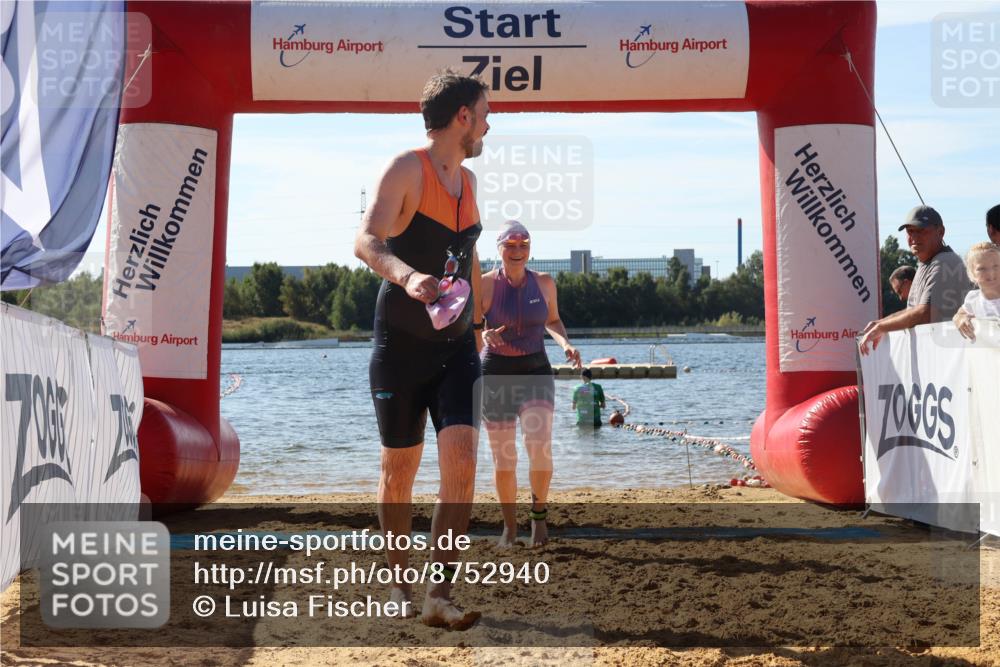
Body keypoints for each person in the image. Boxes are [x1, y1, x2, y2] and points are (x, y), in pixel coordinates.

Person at [353, 69, 489, 630]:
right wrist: (408, 277)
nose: (488, 123)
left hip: (456, 348)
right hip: (401, 347)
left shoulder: (470, 182)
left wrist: (479, 327)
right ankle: (397, 580)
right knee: (398, 473)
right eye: (483, 113)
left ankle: (439, 592)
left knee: (460, 464)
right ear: (462, 117)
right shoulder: (406, 168)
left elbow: (471, 259)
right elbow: (366, 240)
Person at [479, 220, 581, 548]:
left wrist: (565, 344)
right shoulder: (484, 286)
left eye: (524, 245)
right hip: (495, 374)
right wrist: (483, 334)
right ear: (499, 249)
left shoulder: (545, 283)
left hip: (536, 370)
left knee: (539, 450)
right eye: (510, 245)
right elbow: (470, 327)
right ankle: (509, 528)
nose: (517, 251)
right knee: (504, 459)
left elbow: (552, 320)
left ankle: (538, 519)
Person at [859, 205, 972, 355]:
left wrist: (882, 327)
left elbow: (925, 313)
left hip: (950, 359)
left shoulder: (945, 261)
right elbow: (912, 311)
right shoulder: (927, 263)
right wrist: (879, 324)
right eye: (910, 231)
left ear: (941, 232)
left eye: (922, 230)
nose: (915, 237)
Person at [953, 242, 1000, 342]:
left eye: (996, 266)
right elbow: (959, 314)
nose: (990, 272)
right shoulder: (973, 298)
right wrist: (960, 319)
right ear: (972, 273)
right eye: (981, 268)